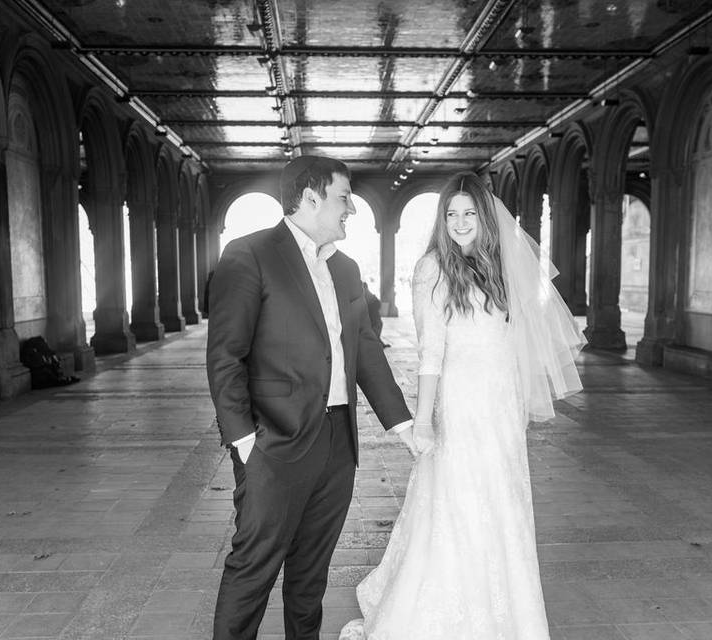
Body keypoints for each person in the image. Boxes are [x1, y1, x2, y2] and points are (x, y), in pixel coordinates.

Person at [340, 172, 586, 640]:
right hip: (460, 405)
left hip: (501, 408)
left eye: (468, 213)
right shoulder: (433, 268)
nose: (459, 222)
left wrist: (516, 402)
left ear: (485, 217)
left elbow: (517, 342)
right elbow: (431, 352)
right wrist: (424, 421)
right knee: (458, 508)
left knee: (503, 508)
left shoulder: (500, 269)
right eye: (451, 214)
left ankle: (509, 619)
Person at [206, 155, 417, 640]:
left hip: (337, 444)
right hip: (272, 444)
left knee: (310, 576)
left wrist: (404, 426)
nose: (352, 210)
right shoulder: (249, 254)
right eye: (344, 198)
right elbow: (225, 356)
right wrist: (244, 443)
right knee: (253, 566)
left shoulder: (345, 269)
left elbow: (365, 349)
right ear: (311, 197)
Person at [362, 282, 389, 347]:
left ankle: (378, 342)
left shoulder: (362, 287)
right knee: (376, 325)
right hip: (372, 304)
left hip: (372, 304)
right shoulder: (362, 287)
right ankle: (377, 342)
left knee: (377, 325)